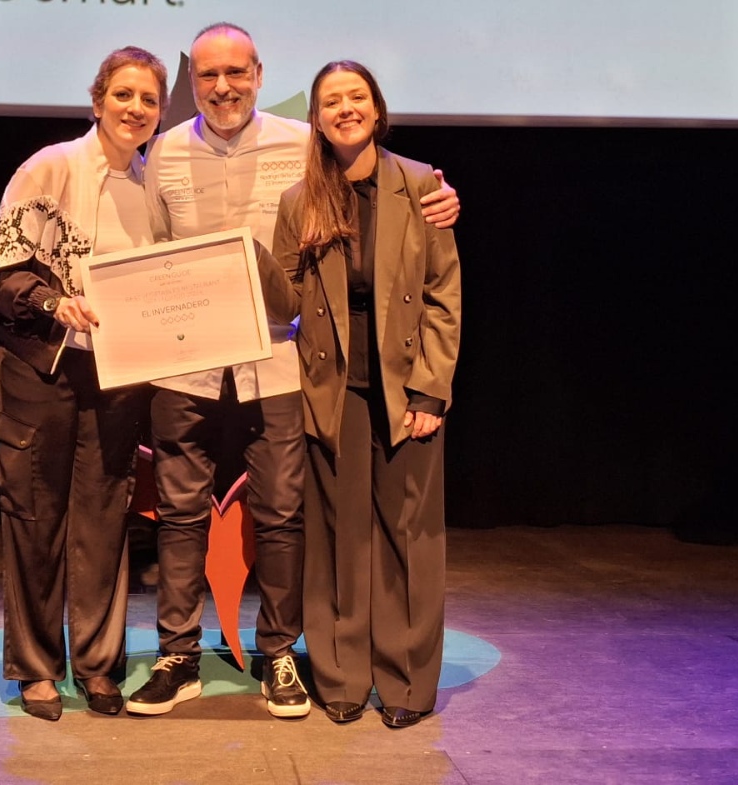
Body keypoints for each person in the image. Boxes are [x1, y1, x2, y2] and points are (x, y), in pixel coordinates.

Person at [127, 23, 460, 719]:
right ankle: (177, 655)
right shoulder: (162, 154)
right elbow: (149, 253)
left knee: (284, 517)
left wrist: (440, 198)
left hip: (279, 365)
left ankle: (280, 652)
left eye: (237, 73)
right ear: (195, 82)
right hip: (185, 368)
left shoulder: (301, 147)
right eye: (210, 75)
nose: (223, 87)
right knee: (180, 514)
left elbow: (385, 200)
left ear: (258, 73)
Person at [258, 60, 461, 729]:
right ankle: (341, 677)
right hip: (333, 387)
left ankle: (405, 681)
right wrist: (269, 259)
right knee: (339, 538)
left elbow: (442, 296)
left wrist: (431, 390)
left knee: (408, 538)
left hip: (407, 386)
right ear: (316, 118)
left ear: (376, 108)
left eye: (356, 97)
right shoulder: (300, 201)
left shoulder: (421, 185)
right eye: (330, 101)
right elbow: (282, 301)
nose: (345, 108)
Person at [0, 46, 168, 719]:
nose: (136, 109)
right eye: (124, 94)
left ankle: (97, 665)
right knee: (35, 517)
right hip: (42, 368)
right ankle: (34, 667)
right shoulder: (49, 166)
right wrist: (54, 303)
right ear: (97, 101)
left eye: (149, 100)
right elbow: (2, 278)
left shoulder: (155, 186)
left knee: (103, 520)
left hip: (119, 374)